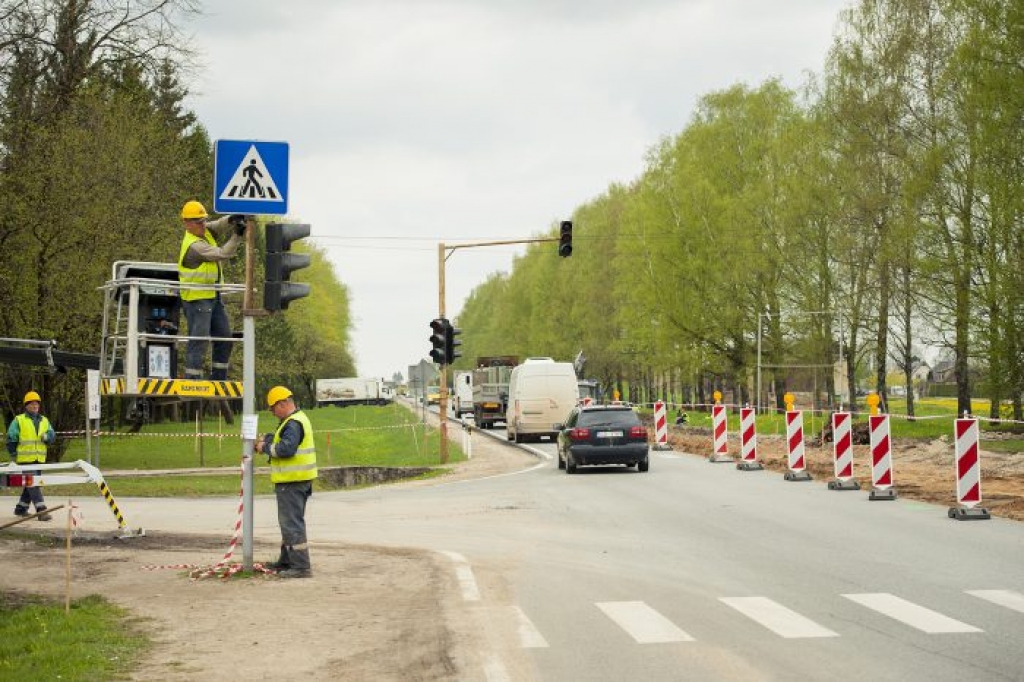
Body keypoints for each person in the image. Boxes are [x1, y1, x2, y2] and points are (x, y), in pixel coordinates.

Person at [177, 200, 247, 381]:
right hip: (197, 299)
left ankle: (219, 378)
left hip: (213, 296)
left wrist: (232, 219)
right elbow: (223, 254)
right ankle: (193, 381)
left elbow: (219, 225)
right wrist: (237, 236)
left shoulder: (204, 230)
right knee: (198, 342)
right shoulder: (194, 245)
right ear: (187, 223)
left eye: (204, 220)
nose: (203, 224)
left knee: (224, 338)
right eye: (198, 222)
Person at [255, 386, 318, 578]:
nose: (272, 413)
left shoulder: (293, 423)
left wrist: (264, 447)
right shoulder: (294, 420)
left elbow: (286, 449)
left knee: (292, 524)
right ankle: (286, 561)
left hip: (292, 482)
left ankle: (300, 567)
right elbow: (283, 440)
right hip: (296, 481)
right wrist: (268, 439)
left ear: (282, 404)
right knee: (288, 524)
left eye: (273, 409)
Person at [7, 391, 55, 521]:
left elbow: (52, 435)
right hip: (25, 460)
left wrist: (48, 437)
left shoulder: (44, 420)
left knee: (32, 484)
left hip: (39, 459)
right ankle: (42, 510)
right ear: (26, 406)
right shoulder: (19, 420)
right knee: (33, 483)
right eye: (32, 404)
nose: (35, 406)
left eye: (37, 404)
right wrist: (13, 454)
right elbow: (11, 437)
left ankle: (21, 509)